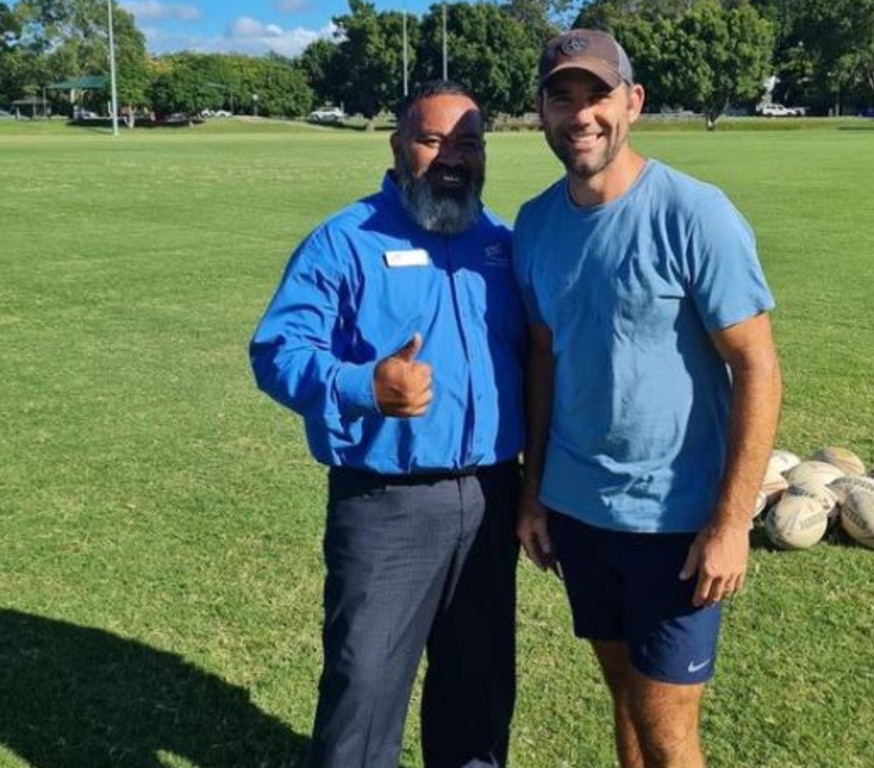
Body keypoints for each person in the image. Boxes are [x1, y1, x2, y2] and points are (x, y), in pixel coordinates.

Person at [513, 30, 783, 768]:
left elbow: (757, 366)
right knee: (627, 701)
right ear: (540, 110)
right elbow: (544, 360)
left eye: (597, 95)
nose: (580, 116)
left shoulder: (694, 213)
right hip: (580, 514)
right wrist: (534, 493)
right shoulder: (534, 224)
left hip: (676, 524)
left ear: (632, 101)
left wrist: (731, 522)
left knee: (668, 734)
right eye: (560, 97)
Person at [250, 80, 524, 768]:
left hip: (493, 497)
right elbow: (276, 351)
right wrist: (361, 385)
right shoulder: (345, 241)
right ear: (401, 145)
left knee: (478, 682)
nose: (452, 157)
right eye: (433, 140)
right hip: (385, 504)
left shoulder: (502, 244)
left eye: (469, 142)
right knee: (364, 687)